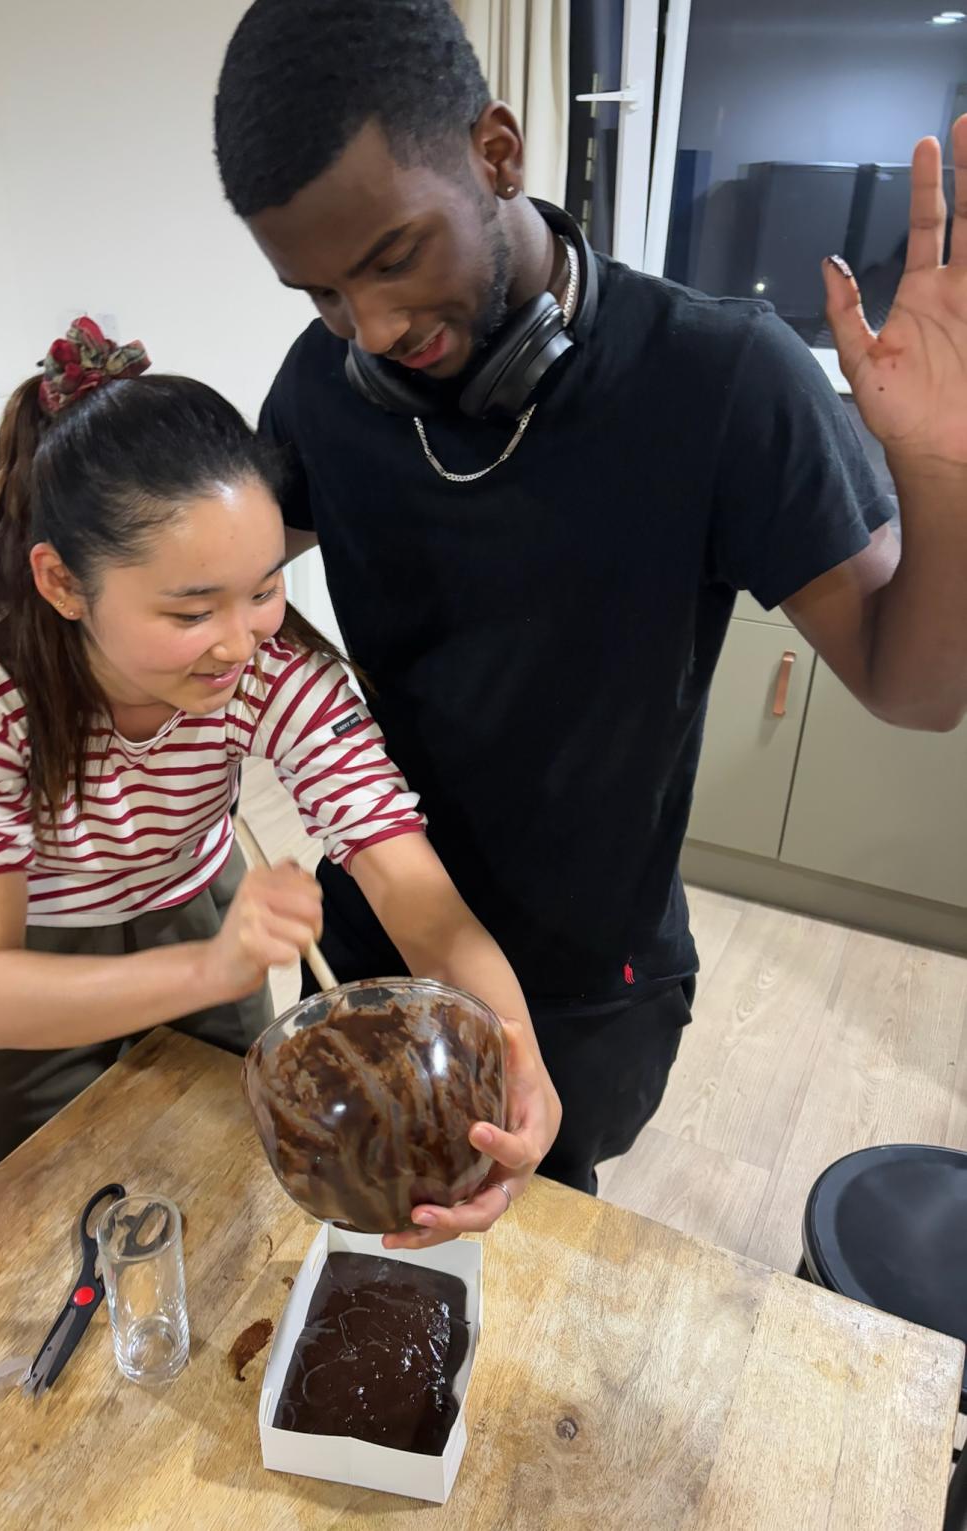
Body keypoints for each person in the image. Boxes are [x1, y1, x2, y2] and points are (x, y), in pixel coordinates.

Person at [214, 1, 967, 1207]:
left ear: (497, 152)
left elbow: (914, 689)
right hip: (376, 949)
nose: (374, 329)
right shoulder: (325, 387)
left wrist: (942, 469)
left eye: (394, 257)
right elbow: (225, 599)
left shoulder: (723, 381)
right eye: (320, 294)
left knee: (533, 1282)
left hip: (587, 984)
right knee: (358, 1249)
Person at [0, 318, 560, 1232]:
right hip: (34, 959)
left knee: (215, 1192)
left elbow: (415, 891)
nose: (240, 642)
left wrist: (516, 1056)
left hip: (193, 906)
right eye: (191, 610)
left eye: (265, 588)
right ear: (63, 584)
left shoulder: (269, 670)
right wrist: (214, 965)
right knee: (54, 1223)